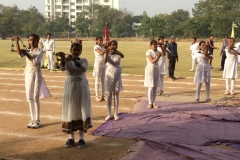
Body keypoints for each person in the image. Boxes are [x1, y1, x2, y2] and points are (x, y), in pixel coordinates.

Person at [13, 34, 51, 128]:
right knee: (29, 97)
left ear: (37, 41)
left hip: (36, 74)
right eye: (30, 40)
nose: (31, 42)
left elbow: (35, 61)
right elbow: (19, 54)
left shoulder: (40, 51)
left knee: (35, 96)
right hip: (28, 73)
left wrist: (26, 53)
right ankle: (32, 119)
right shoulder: (28, 50)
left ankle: (37, 120)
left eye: (33, 40)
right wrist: (16, 42)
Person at [59, 42, 92, 148]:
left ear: (81, 51)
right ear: (70, 50)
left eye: (78, 50)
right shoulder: (67, 61)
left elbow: (83, 69)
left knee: (81, 109)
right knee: (70, 109)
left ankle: (82, 138)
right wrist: (63, 58)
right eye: (74, 50)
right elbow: (62, 68)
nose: (76, 52)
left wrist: (72, 59)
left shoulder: (84, 60)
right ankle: (71, 137)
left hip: (82, 87)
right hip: (70, 87)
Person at [104, 40, 124, 121]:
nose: (114, 46)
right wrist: (106, 51)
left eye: (116, 45)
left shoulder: (117, 54)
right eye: (113, 45)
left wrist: (115, 50)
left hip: (117, 75)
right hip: (109, 75)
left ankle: (116, 113)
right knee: (109, 94)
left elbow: (123, 55)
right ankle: (109, 113)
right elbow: (105, 61)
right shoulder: (107, 54)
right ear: (109, 46)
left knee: (116, 94)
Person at [144, 40, 163, 109]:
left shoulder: (158, 51)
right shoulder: (148, 52)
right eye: (153, 44)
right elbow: (152, 61)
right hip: (150, 69)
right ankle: (150, 103)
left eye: (156, 44)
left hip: (156, 69)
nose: (155, 45)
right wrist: (158, 57)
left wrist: (161, 46)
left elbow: (163, 54)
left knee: (155, 87)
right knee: (151, 86)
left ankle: (154, 102)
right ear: (151, 45)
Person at [93, 36, 107, 102]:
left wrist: (106, 46)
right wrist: (106, 48)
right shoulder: (96, 47)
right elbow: (101, 53)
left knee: (103, 80)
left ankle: (102, 95)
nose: (101, 41)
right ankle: (97, 95)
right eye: (100, 40)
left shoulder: (103, 47)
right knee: (97, 80)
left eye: (102, 40)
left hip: (103, 64)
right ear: (96, 41)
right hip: (98, 64)